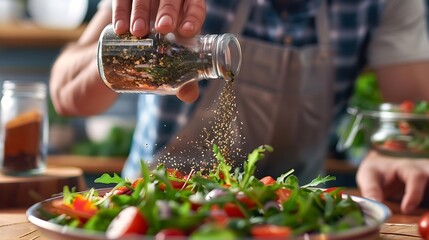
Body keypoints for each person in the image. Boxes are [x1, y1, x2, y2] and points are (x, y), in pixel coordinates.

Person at [50, 0, 429, 214]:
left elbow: (412, 118)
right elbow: (66, 96)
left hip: (296, 214)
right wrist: (123, 50)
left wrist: (398, 154)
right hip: (154, 212)